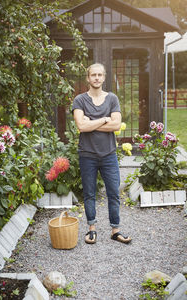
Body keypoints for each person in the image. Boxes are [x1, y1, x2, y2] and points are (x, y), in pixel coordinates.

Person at [72, 63, 131, 244]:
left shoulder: (112, 99)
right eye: (93, 75)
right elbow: (81, 126)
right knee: (89, 194)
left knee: (113, 192)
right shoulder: (80, 100)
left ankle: (115, 230)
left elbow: (116, 125)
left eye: (99, 75)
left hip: (109, 155)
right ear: (88, 78)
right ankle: (92, 229)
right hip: (87, 155)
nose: (96, 78)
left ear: (104, 78)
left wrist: (93, 122)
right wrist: (105, 118)